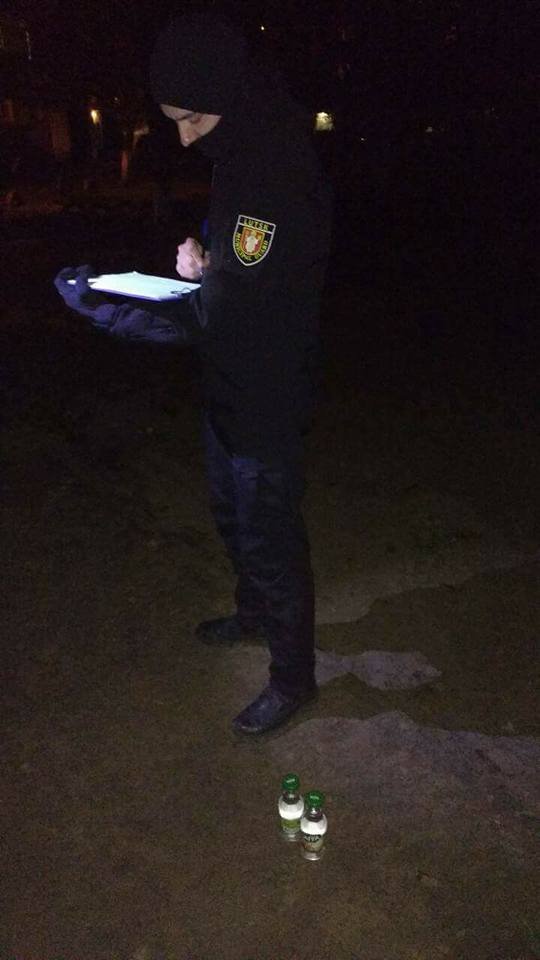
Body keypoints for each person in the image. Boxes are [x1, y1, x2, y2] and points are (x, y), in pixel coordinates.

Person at [54, 8, 332, 734]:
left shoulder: (275, 170)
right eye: (174, 120)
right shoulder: (238, 151)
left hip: (267, 392)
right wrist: (205, 257)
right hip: (229, 380)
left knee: (270, 535)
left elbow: (221, 314)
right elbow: (240, 269)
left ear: (227, 96)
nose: (183, 137)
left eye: (193, 119)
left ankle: (293, 678)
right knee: (232, 515)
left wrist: (105, 309)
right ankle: (252, 614)